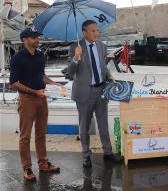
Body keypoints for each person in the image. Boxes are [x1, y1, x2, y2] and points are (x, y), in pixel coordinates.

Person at [10, 28, 61, 181]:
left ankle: (43, 164)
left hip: (42, 98)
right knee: (25, 136)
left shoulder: (40, 55)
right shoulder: (17, 58)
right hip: (27, 99)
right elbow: (13, 83)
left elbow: (42, 75)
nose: (37, 39)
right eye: (34, 37)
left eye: (37, 37)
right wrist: (34, 92)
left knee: (41, 133)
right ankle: (27, 168)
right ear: (25, 39)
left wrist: (54, 83)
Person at [67, 20, 119, 168]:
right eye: (93, 30)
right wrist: (76, 58)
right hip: (84, 93)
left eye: (97, 30)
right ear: (84, 32)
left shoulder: (102, 46)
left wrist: (110, 77)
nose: (96, 33)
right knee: (84, 126)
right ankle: (86, 155)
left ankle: (108, 152)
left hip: (101, 91)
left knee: (103, 124)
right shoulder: (75, 47)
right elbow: (70, 72)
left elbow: (102, 67)